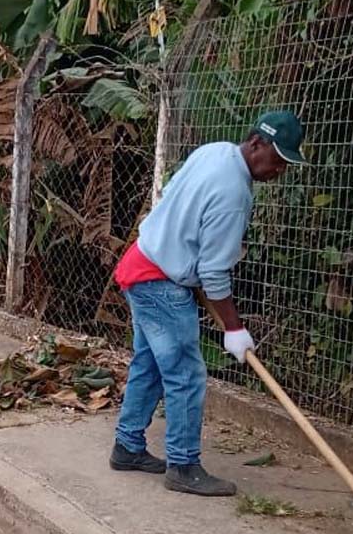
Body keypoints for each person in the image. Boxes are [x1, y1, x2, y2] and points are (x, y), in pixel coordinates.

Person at [108, 111, 306, 496]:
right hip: (159, 281)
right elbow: (214, 273)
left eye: (286, 164)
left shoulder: (213, 152)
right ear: (256, 143)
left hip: (141, 262)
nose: (279, 170)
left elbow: (173, 198)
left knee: (148, 363)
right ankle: (183, 466)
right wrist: (235, 329)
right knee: (186, 374)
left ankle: (127, 446)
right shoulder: (235, 194)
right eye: (278, 159)